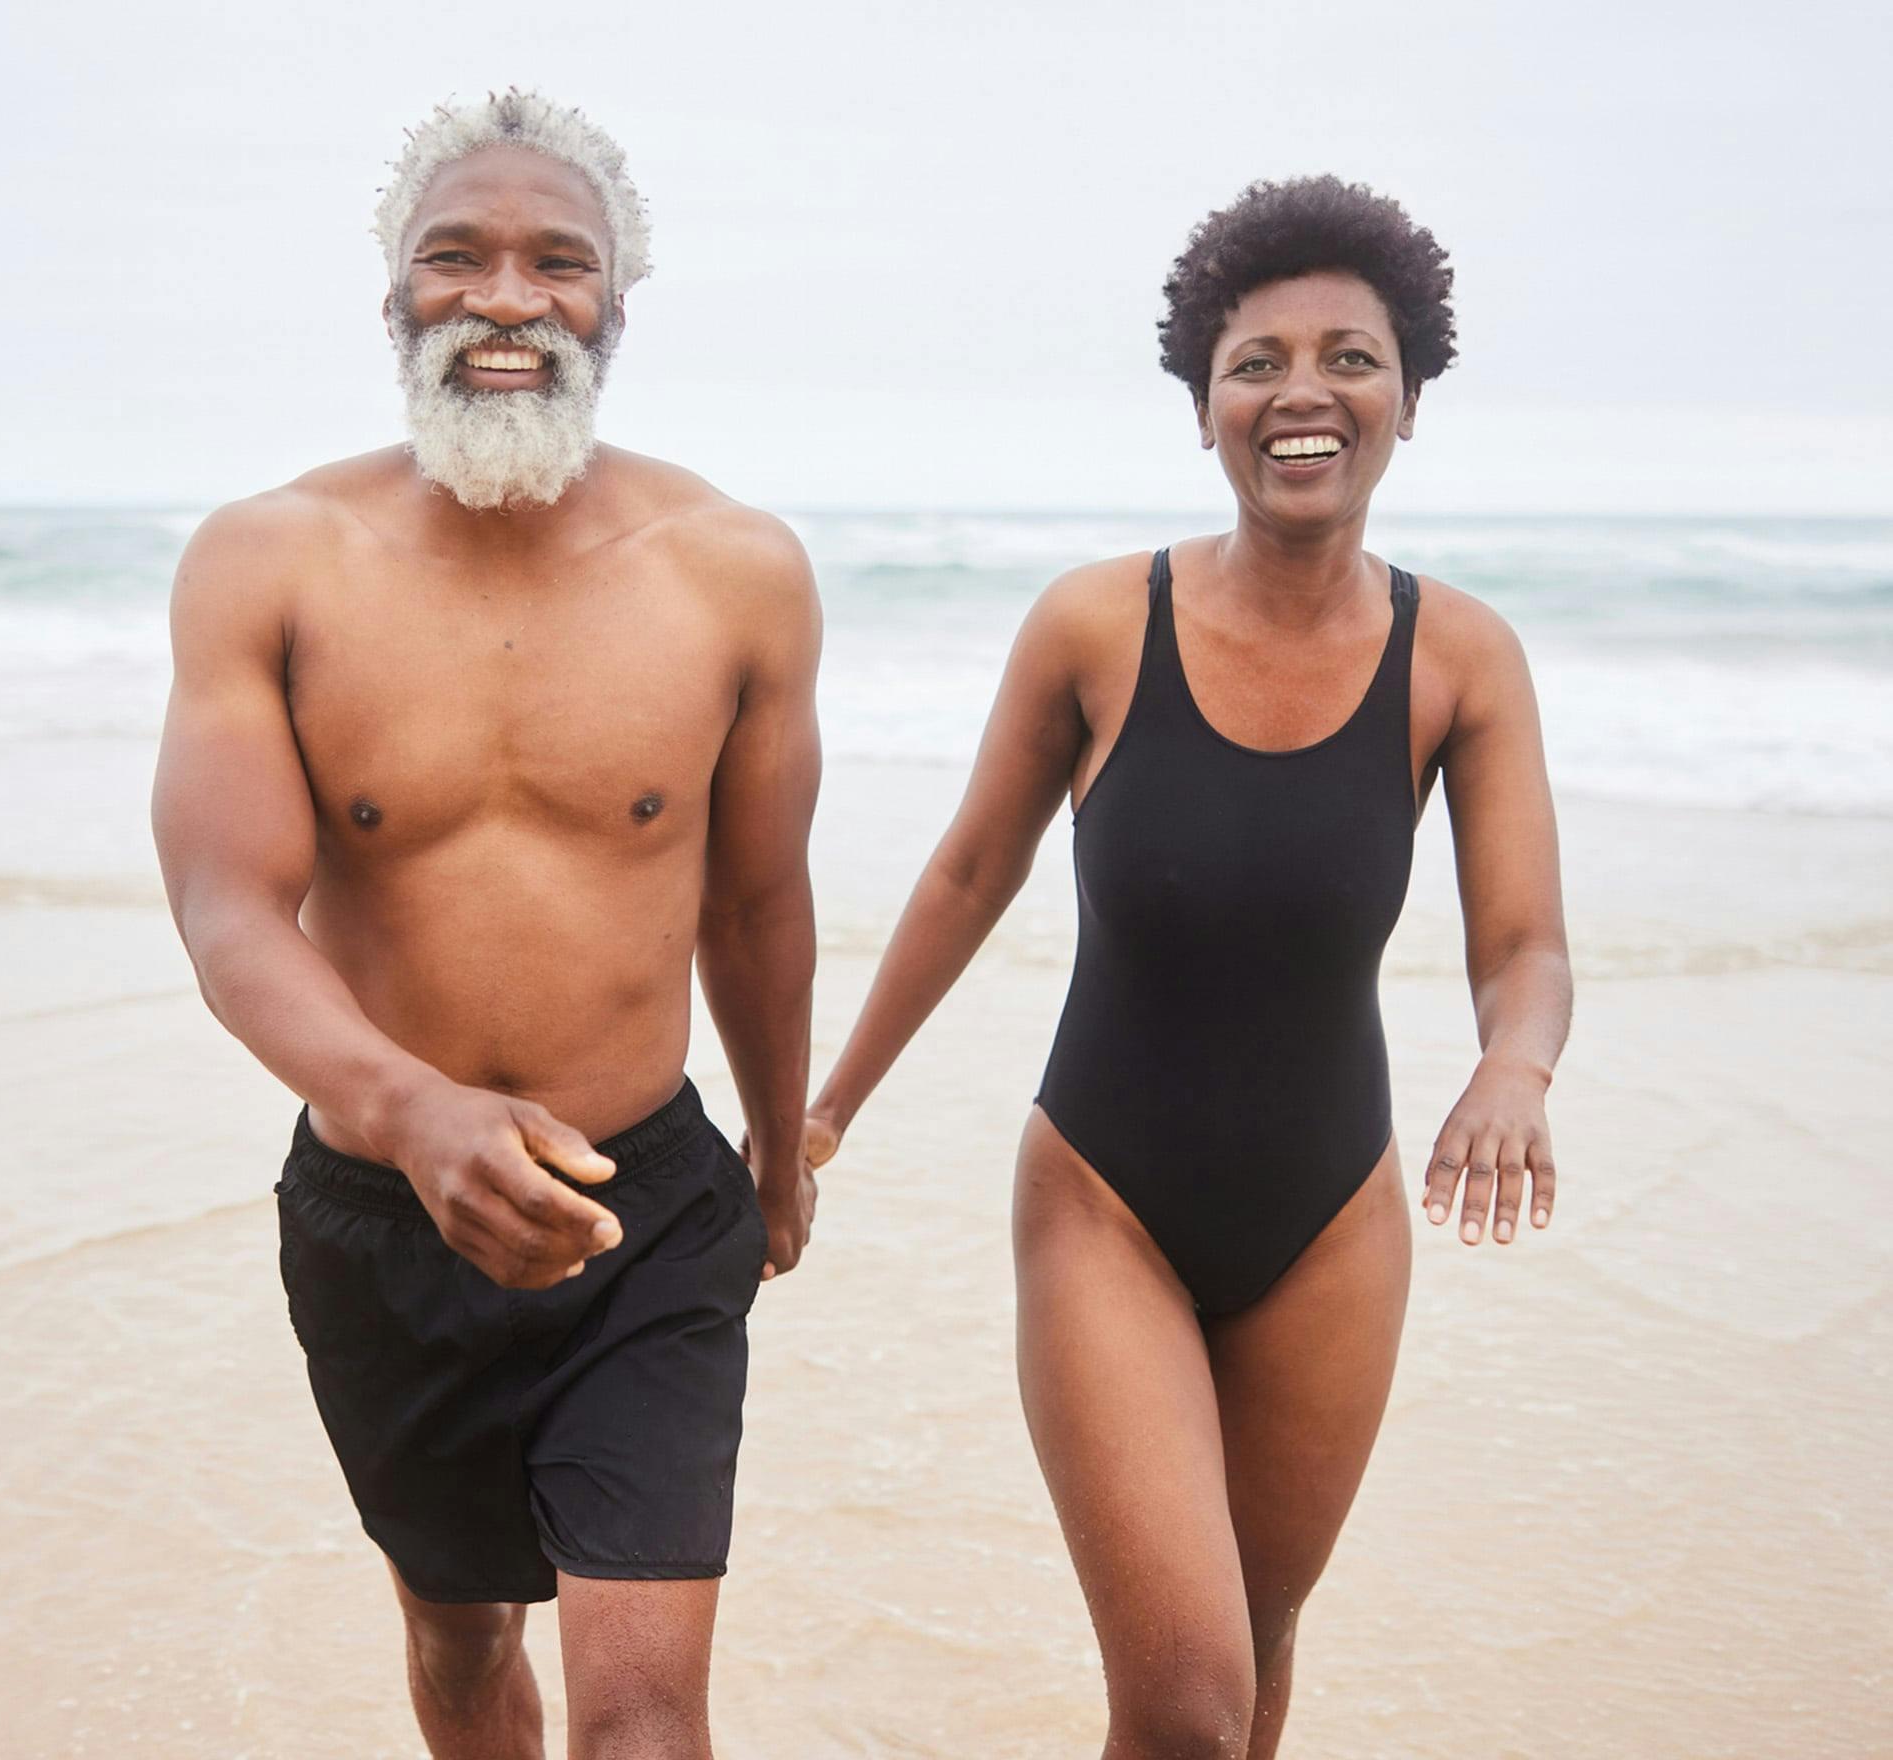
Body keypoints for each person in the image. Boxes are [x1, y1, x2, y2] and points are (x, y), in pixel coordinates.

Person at [803, 176, 1571, 1758]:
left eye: (1351, 358)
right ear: (1205, 408)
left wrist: (1515, 1065)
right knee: (1187, 1700)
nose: (1304, 392)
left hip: (1330, 1224)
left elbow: (1526, 945)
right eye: (1257, 361)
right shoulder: (1095, 626)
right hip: (1106, 1200)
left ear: (1410, 401)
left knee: (1258, 1653)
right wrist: (821, 1116)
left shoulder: (1462, 657)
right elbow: (965, 874)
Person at [151, 90, 821, 1760]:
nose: (508, 299)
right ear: (396, 296)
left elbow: (755, 900)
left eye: (557, 264)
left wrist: (779, 1152)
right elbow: (229, 909)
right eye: (457, 260)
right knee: (461, 1664)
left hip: (644, 1209)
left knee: (645, 1720)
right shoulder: (269, 562)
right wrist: (415, 1114)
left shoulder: (736, 570)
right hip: (382, 1222)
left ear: (615, 305)